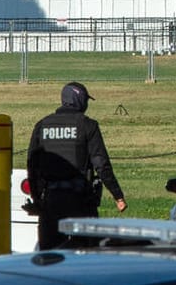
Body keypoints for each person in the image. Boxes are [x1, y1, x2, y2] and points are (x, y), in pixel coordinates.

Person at [26, 82, 126, 250]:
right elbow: (101, 164)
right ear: (79, 100)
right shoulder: (87, 125)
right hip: (80, 202)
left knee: (49, 256)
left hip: (51, 202)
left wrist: (37, 200)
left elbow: (32, 165)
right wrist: (118, 196)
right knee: (87, 254)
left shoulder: (42, 125)